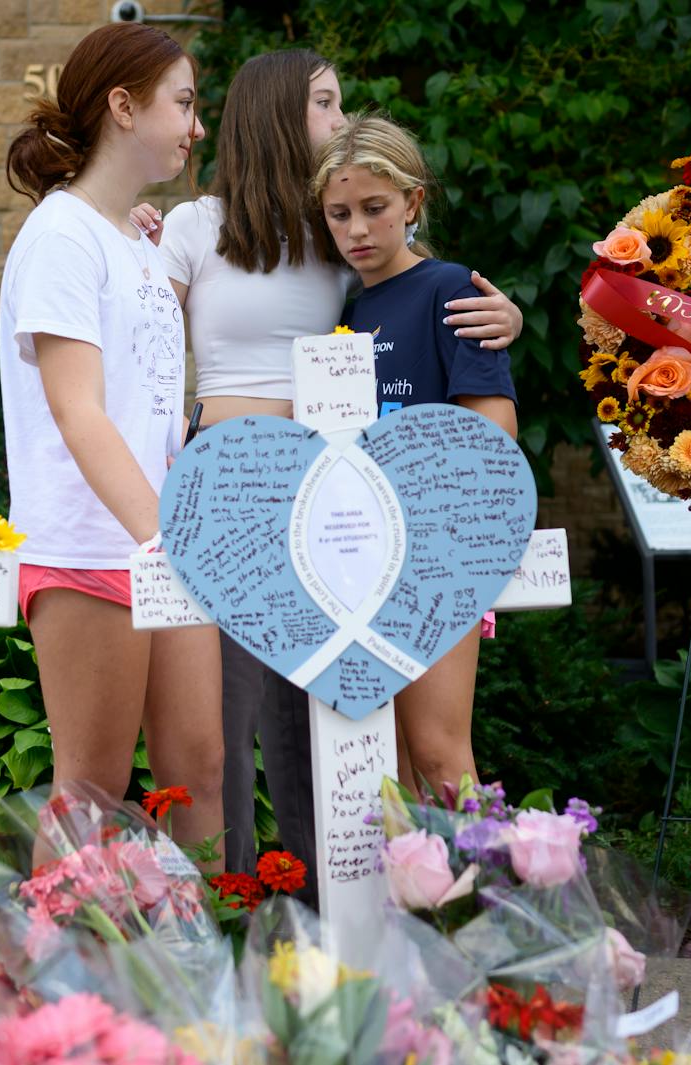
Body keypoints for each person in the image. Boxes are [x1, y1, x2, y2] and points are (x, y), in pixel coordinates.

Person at [131, 50, 523, 899]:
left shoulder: (337, 235)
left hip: (329, 499)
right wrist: (116, 226)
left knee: (320, 716)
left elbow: (419, 295)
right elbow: (137, 340)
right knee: (218, 724)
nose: (341, 120)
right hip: (223, 490)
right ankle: (226, 911)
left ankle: (339, 908)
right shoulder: (195, 225)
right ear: (278, 110)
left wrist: (508, 317)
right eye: (325, 103)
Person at [0, 23, 224, 866]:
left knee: (200, 769)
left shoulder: (131, 236)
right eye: (184, 103)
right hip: (92, 543)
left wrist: (175, 539)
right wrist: (159, 537)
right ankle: (56, 954)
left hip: (164, 542)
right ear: (123, 107)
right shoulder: (60, 236)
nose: (196, 126)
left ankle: (207, 938)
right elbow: (78, 411)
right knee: (91, 788)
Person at [318, 110, 519, 794]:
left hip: (438, 552)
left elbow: (493, 432)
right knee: (393, 762)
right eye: (339, 214)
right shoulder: (347, 310)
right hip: (360, 554)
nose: (357, 229)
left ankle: (490, 868)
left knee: (438, 752)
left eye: (374, 208)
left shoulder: (450, 289)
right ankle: (418, 872)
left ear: (413, 202)